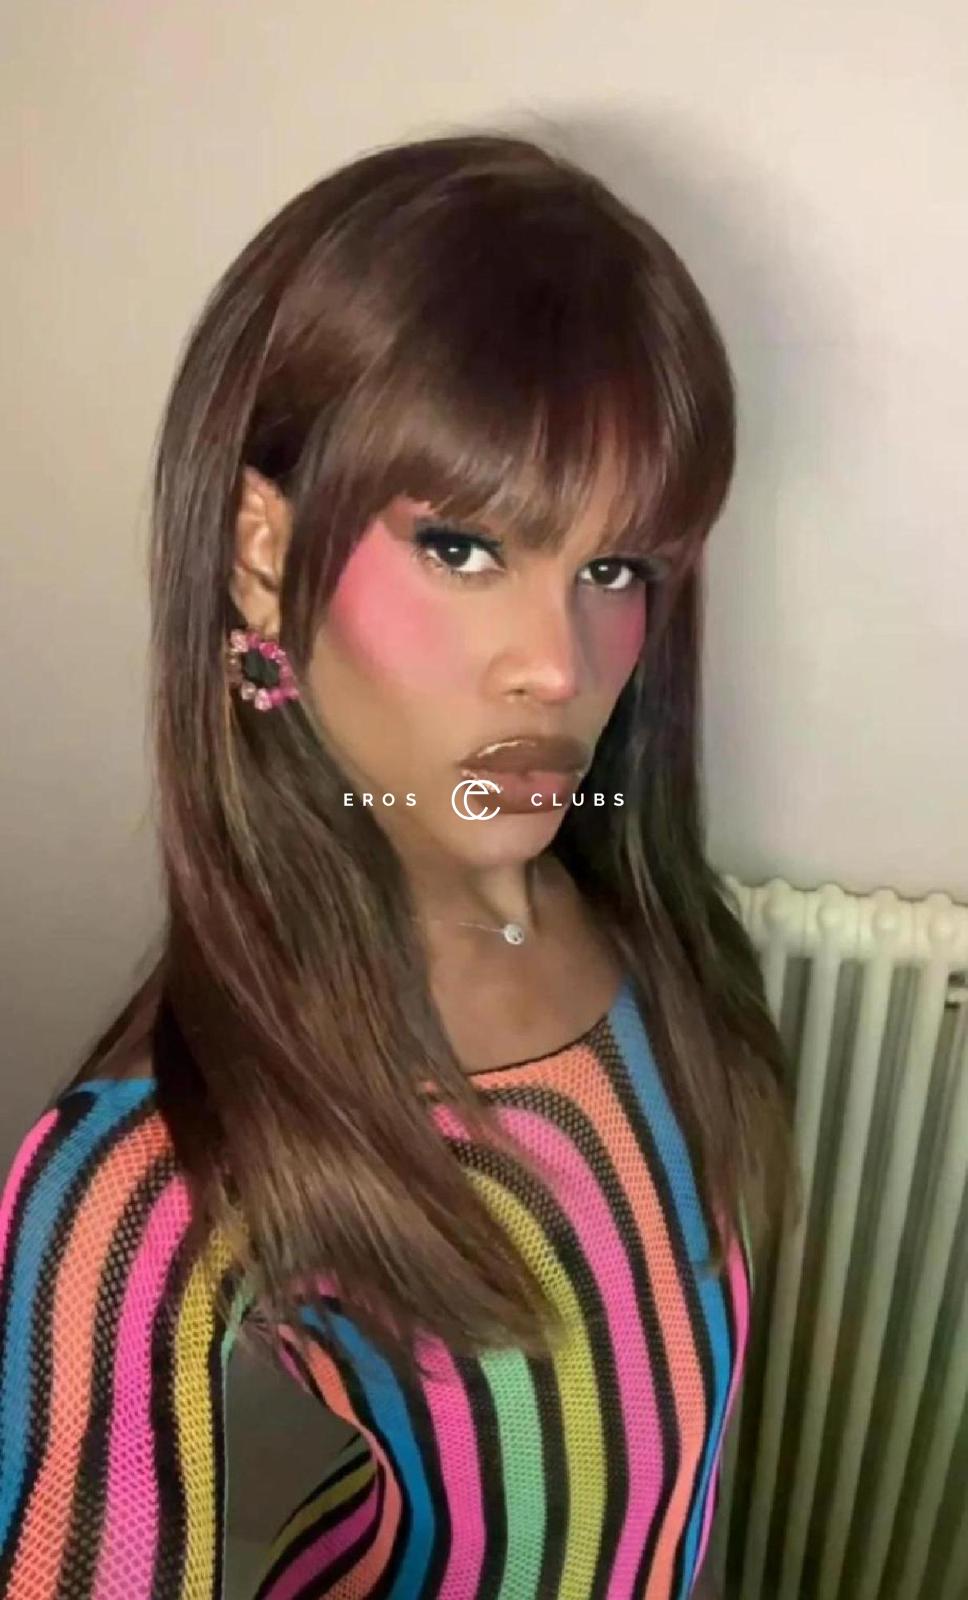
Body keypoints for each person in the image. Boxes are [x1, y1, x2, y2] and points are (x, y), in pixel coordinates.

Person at [0, 130, 799, 1599]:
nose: (557, 666)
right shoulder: (145, 1169)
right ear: (260, 553)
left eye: (614, 569)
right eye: (465, 548)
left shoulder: (661, 944)